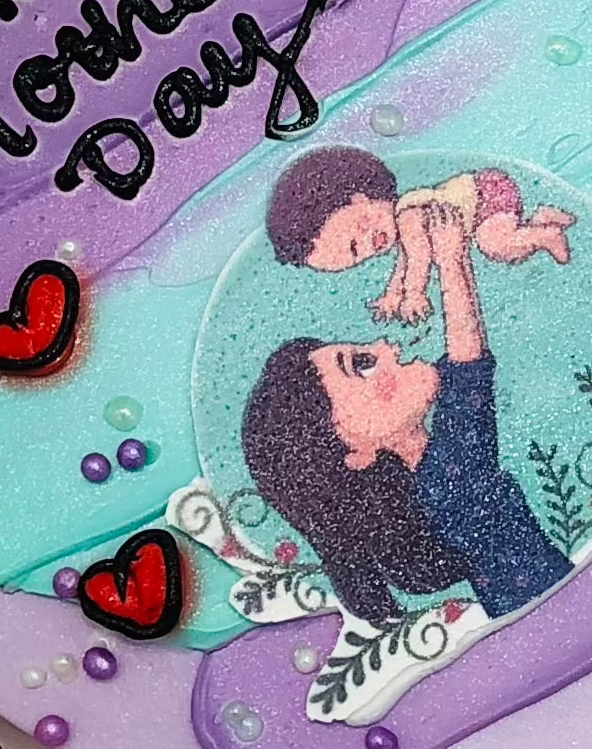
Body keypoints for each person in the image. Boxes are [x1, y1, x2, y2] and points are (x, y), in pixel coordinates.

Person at [242, 191, 573, 630]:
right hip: (551, 607)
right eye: (360, 364)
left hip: (541, 610)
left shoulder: (433, 484)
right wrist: (452, 260)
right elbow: (466, 369)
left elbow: (465, 379)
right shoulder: (448, 480)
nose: (384, 346)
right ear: (352, 450)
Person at [261, 144, 575, 325]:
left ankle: (545, 235)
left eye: (355, 242)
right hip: (486, 198)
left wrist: (414, 295)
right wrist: (392, 295)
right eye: (358, 256)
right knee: (503, 244)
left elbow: (420, 260)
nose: (370, 249)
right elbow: (406, 262)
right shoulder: (401, 224)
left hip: (487, 196)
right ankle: (541, 220)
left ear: (358, 198)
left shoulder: (409, 216)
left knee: (495, 245)